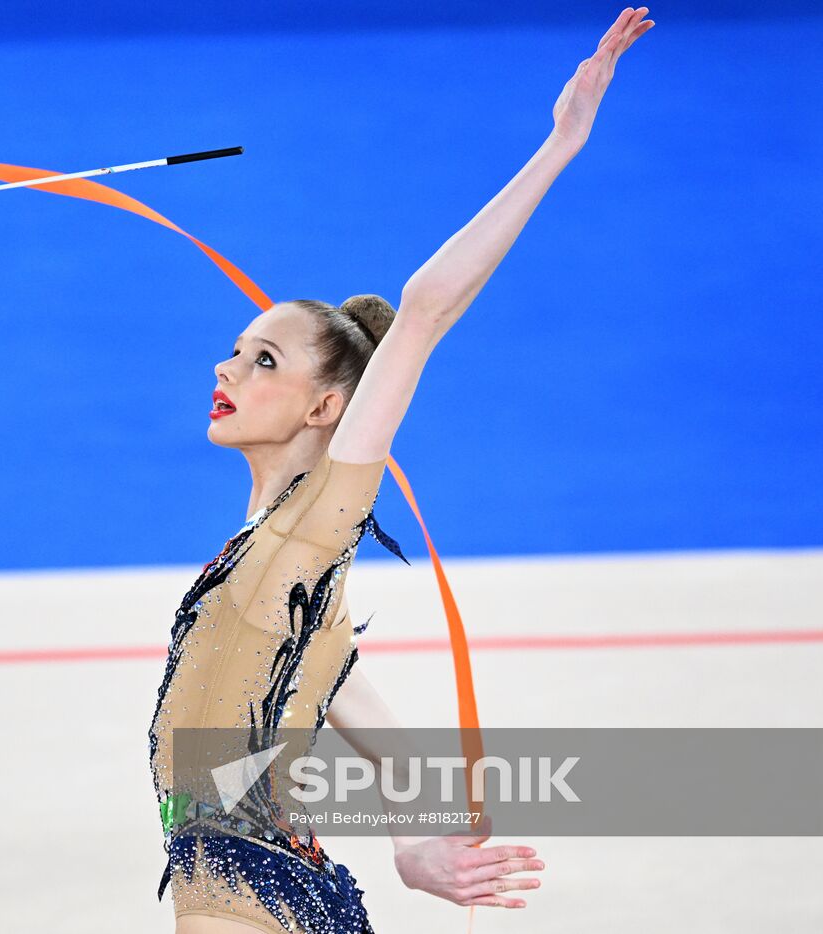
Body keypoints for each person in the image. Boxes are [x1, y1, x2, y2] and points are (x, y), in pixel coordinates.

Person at [147, 8, 655, 932]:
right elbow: (331, 676)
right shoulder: (278, 552)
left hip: (246, 891)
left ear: (325, 407)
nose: (226, 370)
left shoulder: (323, 514)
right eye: (234, 351)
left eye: (265, 360)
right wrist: (415, 827)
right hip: (273, 883)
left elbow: (422, 312)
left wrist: (560, 144)